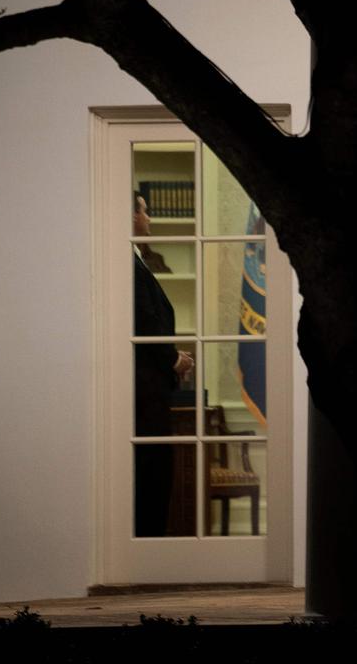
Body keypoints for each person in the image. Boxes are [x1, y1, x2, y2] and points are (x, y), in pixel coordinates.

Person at [133, 193, 194, 536]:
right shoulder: (129, 265)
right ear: (132, 216)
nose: (150, 218)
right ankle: (149, 551)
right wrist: (174, 360)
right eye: (145, 211)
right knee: (152, 474)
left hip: (151, 390)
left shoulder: (136, 262)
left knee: (156, 473)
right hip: (146, 392)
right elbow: (145, 320)